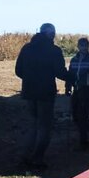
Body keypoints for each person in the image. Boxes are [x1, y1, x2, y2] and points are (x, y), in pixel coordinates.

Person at [14, 23, 68, 170]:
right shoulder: (53, 50)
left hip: (29, 93)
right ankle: (37, 158)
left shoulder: (27, 48)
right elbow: (60, 72)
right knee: (44, 127)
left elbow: (18, 70)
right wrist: (74, 77)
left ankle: (25, 156)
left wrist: (30, 79)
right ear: (51, 34)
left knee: (33, 125)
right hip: (46, 93)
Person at [65, 38, 89, 148]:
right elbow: (70, 74)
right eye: (82, 45)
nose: (84, 48)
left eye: (86, 45)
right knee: (75, 117)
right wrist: (67, 86)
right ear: (78, 46)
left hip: (86, 90)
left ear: (88, 46)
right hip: (76, 90)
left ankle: (84, 142)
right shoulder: (73, 60)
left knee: (83, 116)